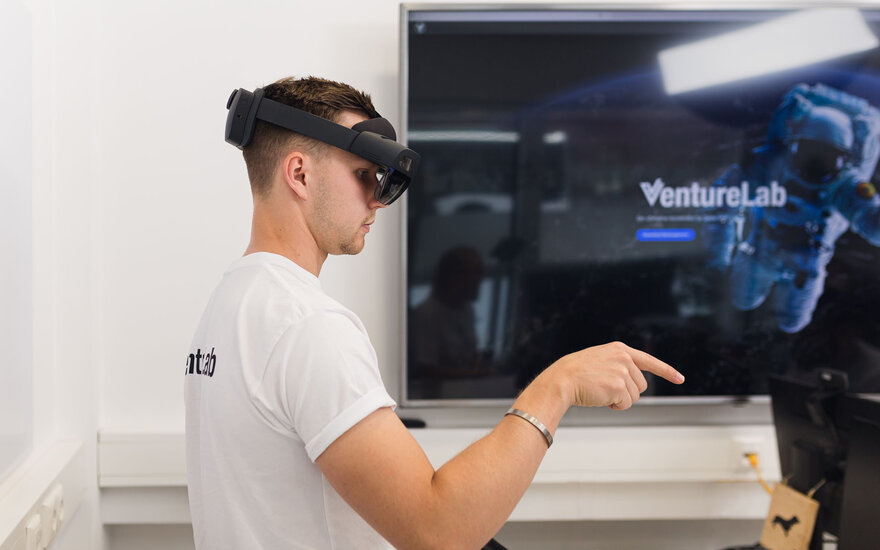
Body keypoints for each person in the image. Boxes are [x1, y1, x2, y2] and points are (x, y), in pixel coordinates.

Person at [184, 75, 685, 550]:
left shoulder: (227, 306)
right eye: (363, 175)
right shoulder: (307, 326)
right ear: (299, 173)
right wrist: (559, 385)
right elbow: (439, 532)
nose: (377, 200)